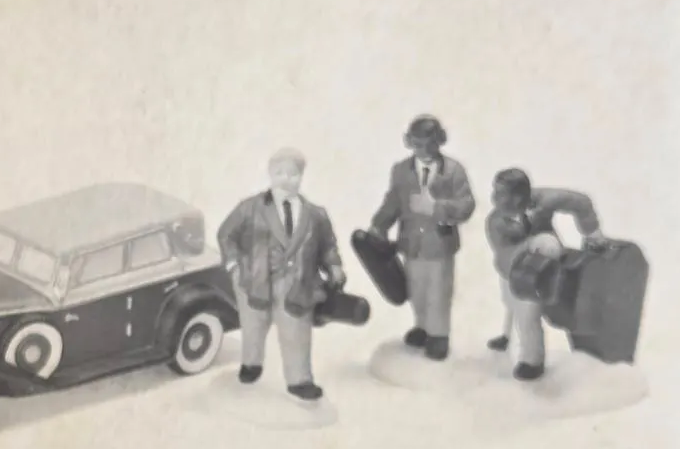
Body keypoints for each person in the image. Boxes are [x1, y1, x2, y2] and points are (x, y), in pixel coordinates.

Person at [217, 148, 346, 401]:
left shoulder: (315, 214)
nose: (286, 179)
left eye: (293, 173)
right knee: (253, 326)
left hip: (297, 283)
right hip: (254, 280)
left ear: (302, 176)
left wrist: (334, 266)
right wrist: (234, 265)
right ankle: (251, 363)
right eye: (280, 173)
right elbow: (226, 234)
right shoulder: (250, 208)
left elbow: (327, 246)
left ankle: (300, 380)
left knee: (296, 331)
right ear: (270, 174)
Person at [368, 114, 475, 361]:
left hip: (440, 243)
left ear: (440, 141)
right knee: (416, 289)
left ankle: (439, 334)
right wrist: (379, 224)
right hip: (411, 243)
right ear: (409, 142)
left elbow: (466, 205)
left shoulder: (454, 170)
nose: (424, 150)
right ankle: (423, 326)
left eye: (430, 144)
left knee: (438, 291)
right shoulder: (401, 170)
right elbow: (393, 201)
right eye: (418, 144)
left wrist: (437, 208)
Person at [485, 168, 607, 380]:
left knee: (527, 313)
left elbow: (580, 202)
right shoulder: (495, 222)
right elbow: (504, 255)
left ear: (520, 196)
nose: (495, 198)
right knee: (511, 302)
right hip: (514, 268)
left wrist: (592, 233)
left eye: (502, 193)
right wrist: (529, 247)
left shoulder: (544, 200)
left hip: (544, 264)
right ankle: (507, 336)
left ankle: (532, 361)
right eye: (496, 191)